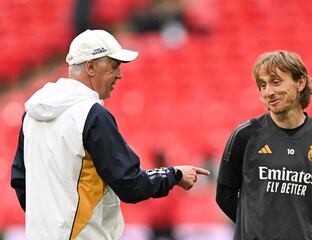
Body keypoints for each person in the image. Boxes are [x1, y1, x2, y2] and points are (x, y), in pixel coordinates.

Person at [10, 29, 210, 239]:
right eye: (114, 66)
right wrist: (174, 175)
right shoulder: (91, 114)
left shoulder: (31, 115)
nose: (119, 74)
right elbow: (130, 184)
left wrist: (52, 223)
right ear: (90, 67)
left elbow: (21, 181)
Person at [216, 50, 312, 240]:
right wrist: (256, 228)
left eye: (276, 82)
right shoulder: (245, 135)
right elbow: (224, 196)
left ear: (300, 83)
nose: (268, 92)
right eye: (262, 85)